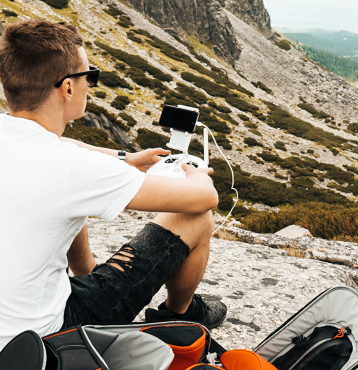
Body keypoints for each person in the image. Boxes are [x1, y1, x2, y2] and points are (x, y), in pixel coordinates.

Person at [0, 19, 227, 353]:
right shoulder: (71, 168)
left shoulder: (28, 142)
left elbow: (71, 153)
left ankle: (86, 274)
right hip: (43, 340)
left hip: (12, 331)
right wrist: (193, 170)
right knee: (195, 219)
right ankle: (178, 314)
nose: (91, 83)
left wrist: (126, 157)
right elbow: (204, 199)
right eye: (89, 75)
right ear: (67, 88)